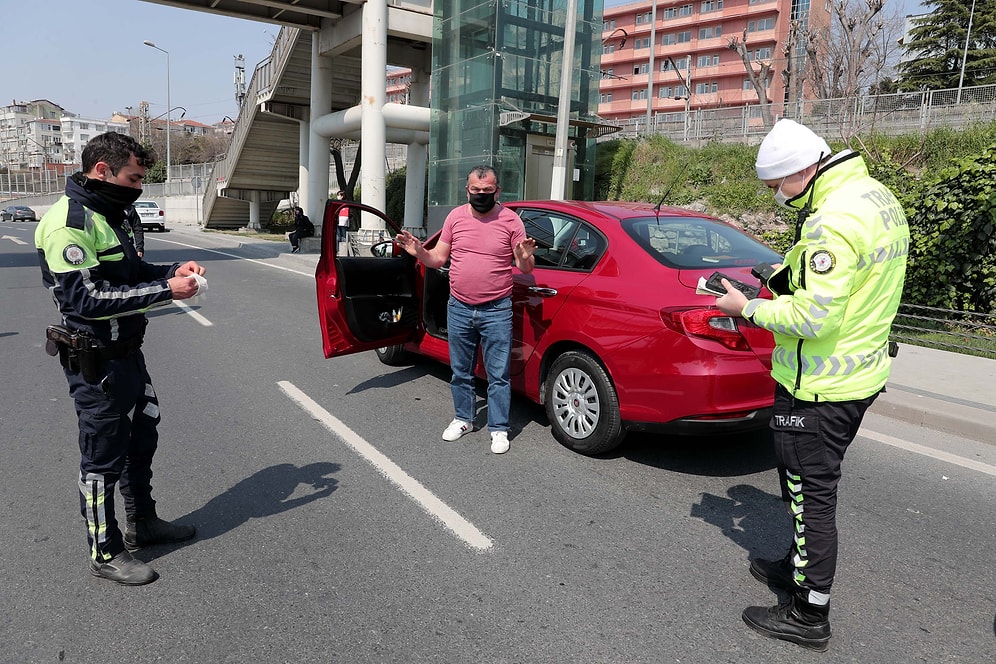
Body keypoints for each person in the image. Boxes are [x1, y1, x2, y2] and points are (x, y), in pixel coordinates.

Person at [715, 119, 909, 651]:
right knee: (803, 489)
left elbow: (815, 318)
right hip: (858, 374)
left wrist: (747, 307)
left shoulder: (831, 221)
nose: (777, 195)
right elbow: (845, 282)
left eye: (777, 184)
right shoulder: (873, 197)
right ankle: (796, 568)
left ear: (801, 171)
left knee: (809, 498)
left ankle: (808, 614)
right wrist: (779, 275)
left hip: (821, 385)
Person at [35, 131, 206, 586]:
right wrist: (167, 291)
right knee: (102, 458)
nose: (139, 187)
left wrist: (173, 271)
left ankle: (142, 523)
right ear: (102, 171)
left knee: (142, 438)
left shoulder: (119, 214)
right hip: (96, 363)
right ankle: (104, 550)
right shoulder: (67, 223)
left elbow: (130, 274)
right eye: (133, 177)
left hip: (130, 354)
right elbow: (86, 300)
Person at [395, 165, 536, 454]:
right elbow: (437, 258)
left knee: (498, 374)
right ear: (467, 190)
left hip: (497, 309)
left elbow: (524, 267)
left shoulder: (511, 221)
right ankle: (463, 419)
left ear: (497, 190)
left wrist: (524, 258)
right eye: (476, 190)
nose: (481, 195)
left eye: (487, 191)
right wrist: (418, 251)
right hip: (458, 307)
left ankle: (498, 428)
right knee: (461, 371)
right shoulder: (455, 217)